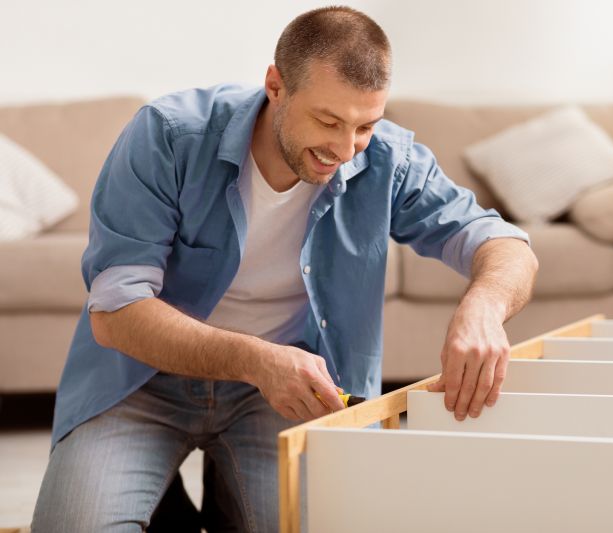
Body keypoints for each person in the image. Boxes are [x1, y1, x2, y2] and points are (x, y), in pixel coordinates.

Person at [32, 6, 538, 532]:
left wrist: (484, 308)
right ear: (276, 85)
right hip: (139, 381)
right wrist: (256, 360)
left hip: (288, 393)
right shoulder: (168, 135)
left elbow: (504, 243)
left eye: (365, 125)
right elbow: (116, 311)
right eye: (327, 121)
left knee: (323, 522)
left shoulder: (388, 159)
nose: (345, 150)